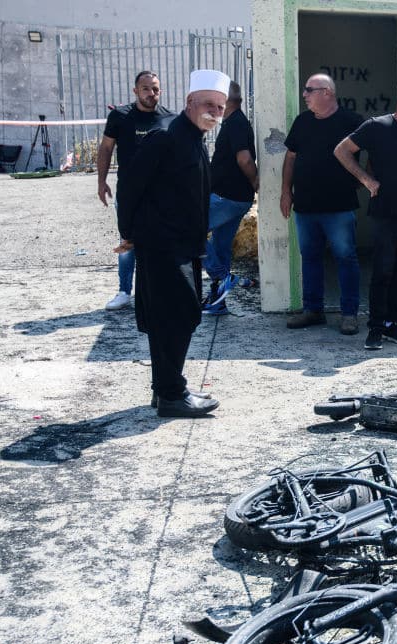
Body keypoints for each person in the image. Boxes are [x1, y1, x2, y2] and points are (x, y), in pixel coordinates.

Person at [117, 70, 229, 418]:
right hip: (163, 243)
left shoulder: (195, 137)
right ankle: (172, 394)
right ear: (189, 103)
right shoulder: (164, 136)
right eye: (208, 104)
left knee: (172, 317)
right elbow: (130, 187)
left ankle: (163, 390)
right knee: (177, 317)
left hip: (185, 243)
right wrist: (128, 234)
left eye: (220, 106)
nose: (214, 111)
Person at [334, 80, 397, 350]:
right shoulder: (376, 127)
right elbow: (341, 151)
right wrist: (366, 180)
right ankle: (376, 327)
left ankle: (393, 324)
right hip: (384, 214)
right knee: (382, 272)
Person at [282, 73, 364, 335]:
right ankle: (313, 311)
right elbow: (291, 157)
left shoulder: (352, 122)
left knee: (346, 257)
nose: (304, 95)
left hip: (339, 207)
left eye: (309, 90)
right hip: (305, 206)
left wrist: (366, 179)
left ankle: (349, 314)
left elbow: (376, 150)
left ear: (327, 92)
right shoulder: (303, 122)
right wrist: (286, 191)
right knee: (310, 257)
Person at [96, 71, 174, 311]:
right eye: (146, 89)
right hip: (129, 195)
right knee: (127, 242)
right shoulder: (120, 116)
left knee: (160, 242)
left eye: (156, 89)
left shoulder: (170, 119)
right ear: (135, 91)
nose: (152, 94)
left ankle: (157, 292)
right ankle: (123, 291)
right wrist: (101, 181)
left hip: (160, 196)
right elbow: (106, 148)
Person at [202, 81, 258, 316]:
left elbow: (244, 159)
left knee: (187, 230)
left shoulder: (235, 124)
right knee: (221, 247)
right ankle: (218, 301)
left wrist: (256, 183)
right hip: (235, 198)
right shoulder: (236, 122)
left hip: (227, 198)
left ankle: (223, 277)